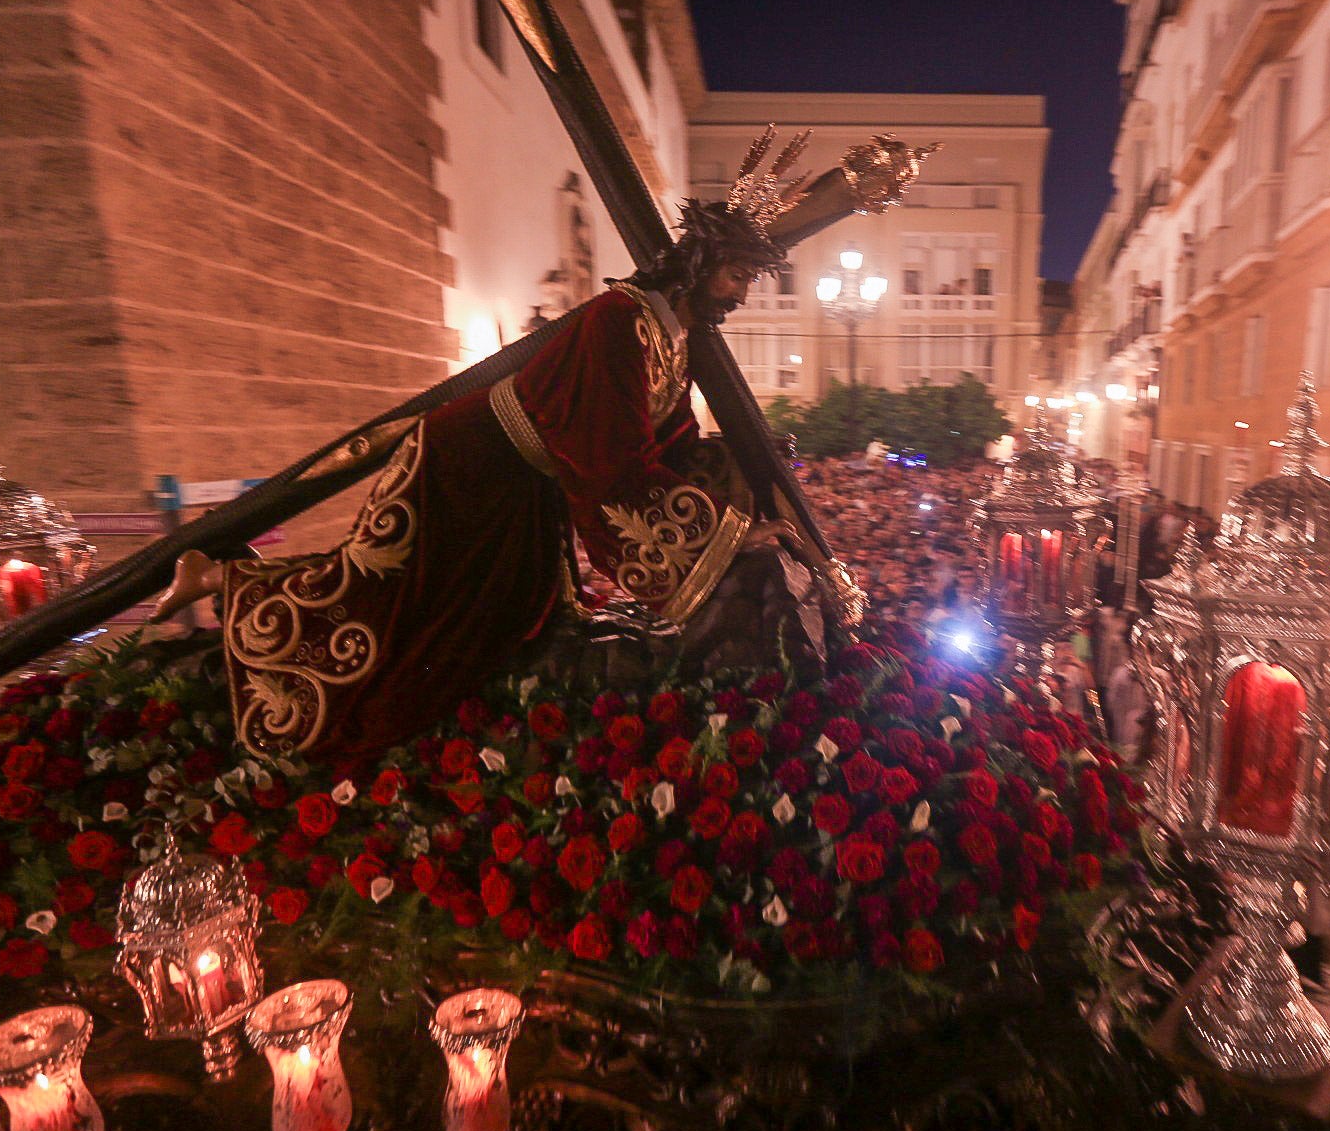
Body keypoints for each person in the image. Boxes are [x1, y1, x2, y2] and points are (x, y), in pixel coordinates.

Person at [150, 137, 845, 759]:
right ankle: (218, 580)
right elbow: (614, 473)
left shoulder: (673, 337)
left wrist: (746, 470)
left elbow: (672, 444)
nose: (740, 294)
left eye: (749, 281)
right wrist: (727, 536)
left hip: (523, 483)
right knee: (385, 596)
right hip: (468, 465)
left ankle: (218, 578)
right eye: (736, 277)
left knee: (490, 627)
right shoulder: (619, 323)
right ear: (700, 265)